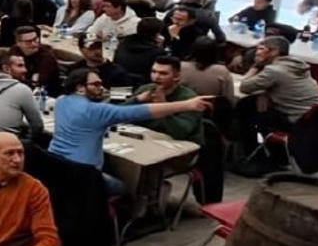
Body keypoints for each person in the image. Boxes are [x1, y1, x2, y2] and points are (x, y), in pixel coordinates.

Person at [50, 68, 211, 194]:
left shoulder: (61, 101)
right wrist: (187, 105)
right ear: (80, 88)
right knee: (128, 189)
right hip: (85, 175)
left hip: (56, 167)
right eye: (96, 84)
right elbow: (140, 112)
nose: (101, 88)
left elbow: (114, 111)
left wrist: (137, 99)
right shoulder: (95, 111)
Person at [235, 36, 318, 156]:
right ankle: (273, 152)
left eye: (261, 49)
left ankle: (252, 152)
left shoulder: (274, 70)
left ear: (274, 52)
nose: (257, 52)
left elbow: (244, 86)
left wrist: (256, 66)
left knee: (247, 108)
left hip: (298, 121)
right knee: (257, 104)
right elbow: (283, 85)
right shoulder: (296, 65)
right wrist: (265, 93)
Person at [127, 56, 204, 143]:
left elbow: (181, 132)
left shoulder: (189, 98)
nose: (156, 77)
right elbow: (119, 115)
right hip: (147, 139)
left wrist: (164, 107)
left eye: (163, 73)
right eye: (154, 72)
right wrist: (137, 100)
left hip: (180, 144)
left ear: (177, 76)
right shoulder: (145, 89)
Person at [181, 36, 238, 102]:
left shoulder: (181, 67)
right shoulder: (222, 71)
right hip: (209, 107)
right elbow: (229, 99)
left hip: (182, 106)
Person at [113, 16, 167, 83]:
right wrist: (160, 47)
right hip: (143, 85)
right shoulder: (157, 52)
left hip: (119, 82)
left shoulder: (122, 45)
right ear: (157, 34)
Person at [13, 25, 60, 94]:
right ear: (18, 43)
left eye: (35, 39)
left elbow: (38, 83)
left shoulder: (47, 56)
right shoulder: (14, 52)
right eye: (28, 41)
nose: (33, 44)